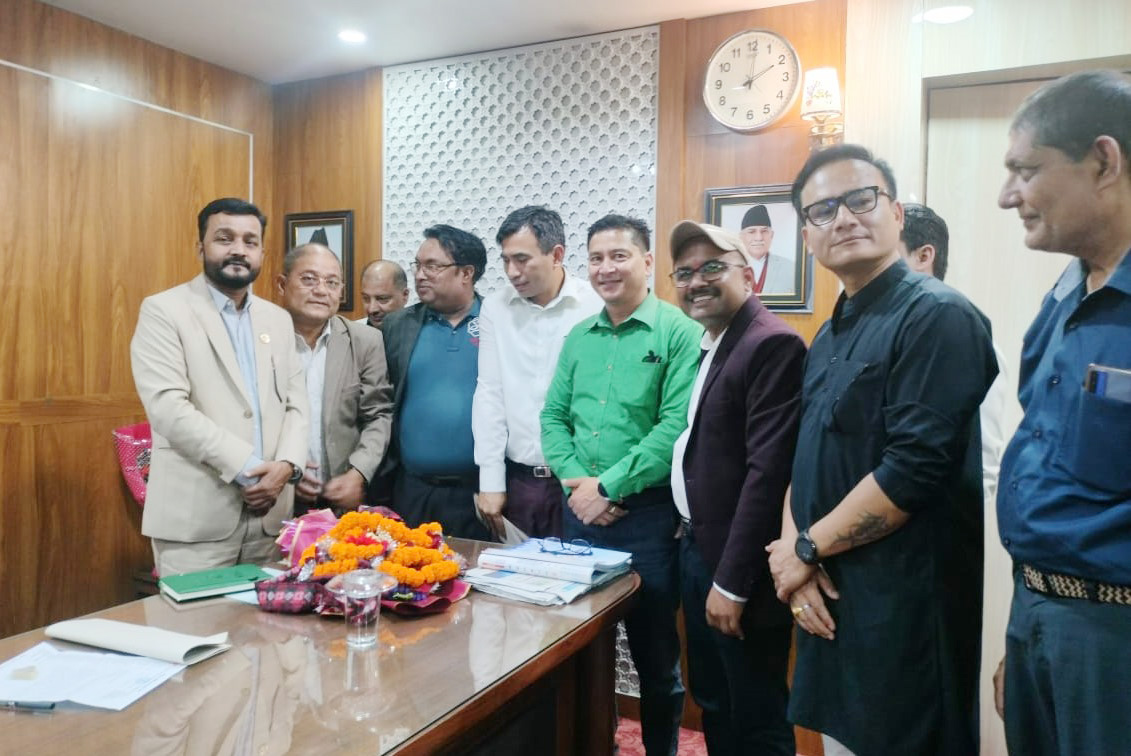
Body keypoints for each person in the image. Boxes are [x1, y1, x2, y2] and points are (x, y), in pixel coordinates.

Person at [766, 145, 997, 755]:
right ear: (808, 237)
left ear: (895, 213)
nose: (843, 218)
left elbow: (912, 471)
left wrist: (805, 549)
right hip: (830, 598)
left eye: (860, 199)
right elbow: (806, 454)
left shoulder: (938, 316)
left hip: (902, 611)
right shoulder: (828, 332)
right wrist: (792, 557)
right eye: (822, 211)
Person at [993, 69, 1131, 756]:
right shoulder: (1066, 290)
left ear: (1102, 162)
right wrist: (1025, 629)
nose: (1006, 195)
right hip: (1039, 612)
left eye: (1025, 170)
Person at [541, 214, 701, 756]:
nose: (606, 268)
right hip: (579, 515)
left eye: (619, 256)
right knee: (583, 652)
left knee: (656, 658)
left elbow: (674, 428)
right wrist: (578, 488)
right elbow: (552, 418)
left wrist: (606, 488)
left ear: (648, 262)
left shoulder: (679, 332)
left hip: (647, 520)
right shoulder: (579, 337)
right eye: (596, 258)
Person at [668, 220, 805, 755]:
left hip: (735, 565)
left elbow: (767, 474)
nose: (696, 281)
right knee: (715, 700)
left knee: (755, 714)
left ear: (748, 276)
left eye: (712, 268)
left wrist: (732, 584)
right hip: (698, 548)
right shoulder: (714, 343)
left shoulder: (771, 343)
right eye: (684, 273)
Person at [131, 197, 308, 577]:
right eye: (224, 238)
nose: (238, 250)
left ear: (262, 253)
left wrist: (286, 467)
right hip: (197, 523)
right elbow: (168, 408)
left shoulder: (278, 319)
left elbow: (297, 404)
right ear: (201, 247)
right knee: (197, 618)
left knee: (267, 618)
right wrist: (249, 469)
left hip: (271, 519)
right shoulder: (164, 311)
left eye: (250, 241)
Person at [471, 206, 602, 539]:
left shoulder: (596, 304)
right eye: (505, 261)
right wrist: (490, 480)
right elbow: (489, 393)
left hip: (581, 481)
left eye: (522, 259)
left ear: (556, 255)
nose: (512, 272)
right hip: (520, 482)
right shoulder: (496, 307)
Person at [379, 224, 491, 540]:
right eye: (418, 265)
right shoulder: (398, 326)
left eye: (432, 266)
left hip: (479, 494)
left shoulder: (497, 322)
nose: (419, 275)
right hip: (410, 491)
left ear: (466, 273)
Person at [899, 203, 1012, 506]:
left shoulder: (971, 340)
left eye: (887, 257)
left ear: (924, 257)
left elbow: (983, 468)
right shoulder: (884, 334)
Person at [276, 243, 393, 515]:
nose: (321, 290)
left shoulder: (365, 341)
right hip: (275, 499)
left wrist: (359, 472)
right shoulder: (261, 338)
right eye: (309, 279)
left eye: (332, 282)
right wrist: (284, 467)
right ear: (282, 284)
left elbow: (379, 415)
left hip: (342, 501)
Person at [739, 204, 794, 295]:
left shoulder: (790, 268)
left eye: (764, 231)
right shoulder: (732, 268)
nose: (759, 238)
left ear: (771, 235)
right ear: (741, 236)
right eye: (751, 232)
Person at [357, 259, 409, 329]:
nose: (371, 309)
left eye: (382, 298)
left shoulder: (420, 332)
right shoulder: (353, 332)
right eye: (366, 298)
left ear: (405, 295)